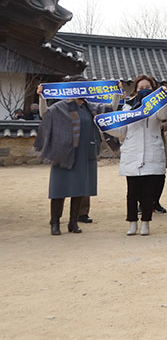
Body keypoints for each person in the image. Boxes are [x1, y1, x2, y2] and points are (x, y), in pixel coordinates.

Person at [33, 79, 113, 235]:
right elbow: (44, 113)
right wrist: (42, 96)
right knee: (58, 190)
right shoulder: (61, 106)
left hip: (85, 152)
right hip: (63, 152)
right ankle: (55, 223)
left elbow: (110, 110)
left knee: (79, 189)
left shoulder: (90, 108)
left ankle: (73, 222)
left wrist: (117, 93)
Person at [103, 75, 167, 236]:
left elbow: (163, 116)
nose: (143, 90)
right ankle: (132, 222)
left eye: (147, 87)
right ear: (135, 90)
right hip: (132, 153)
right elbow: (121, 131)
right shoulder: (127, 107)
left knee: (148, 193)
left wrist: (164, 98)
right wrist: (105, 126)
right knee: (132, 193)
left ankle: (146, 223)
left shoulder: (157, 107)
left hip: (151, 153)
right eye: (140, 88)